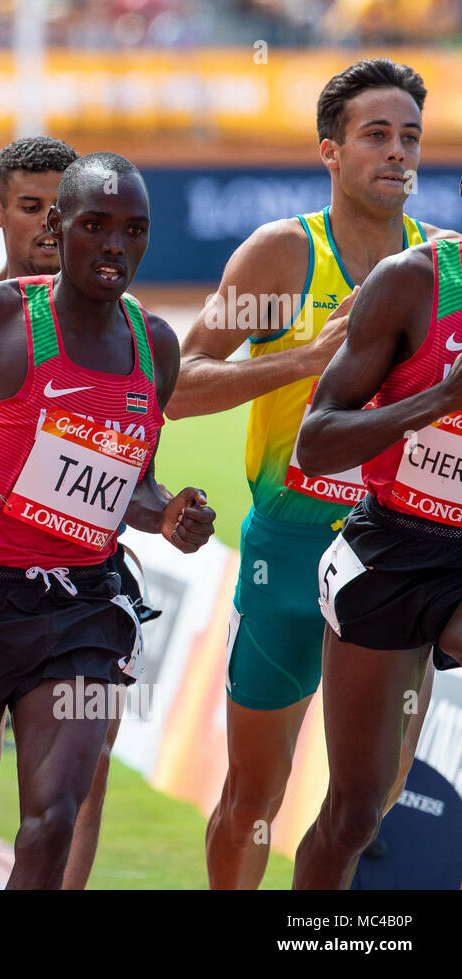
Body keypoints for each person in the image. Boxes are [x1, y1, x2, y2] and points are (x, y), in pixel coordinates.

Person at [0, 152, 216, 889]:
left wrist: (171, 516)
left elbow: (134, 487)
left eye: (134, 230)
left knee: (53, 816)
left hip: (83, 609)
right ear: (60, 227)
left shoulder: (153, 345)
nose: (115, 245)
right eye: (95, 225)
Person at [165, 58, 452, 889]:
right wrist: (302, 360)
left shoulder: (436, 269)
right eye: (375, 136)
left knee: (374, 793)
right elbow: (178, 385)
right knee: (257, 788)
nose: (396, 153)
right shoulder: (285, 254)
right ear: (330, 150)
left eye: (409, 137)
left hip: (401, 548)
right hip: (289, 546)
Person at [292, 193, 462, 888]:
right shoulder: (414, 282)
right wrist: (437, 401)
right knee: (357, 810)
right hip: (392, 553)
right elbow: (316, 443)